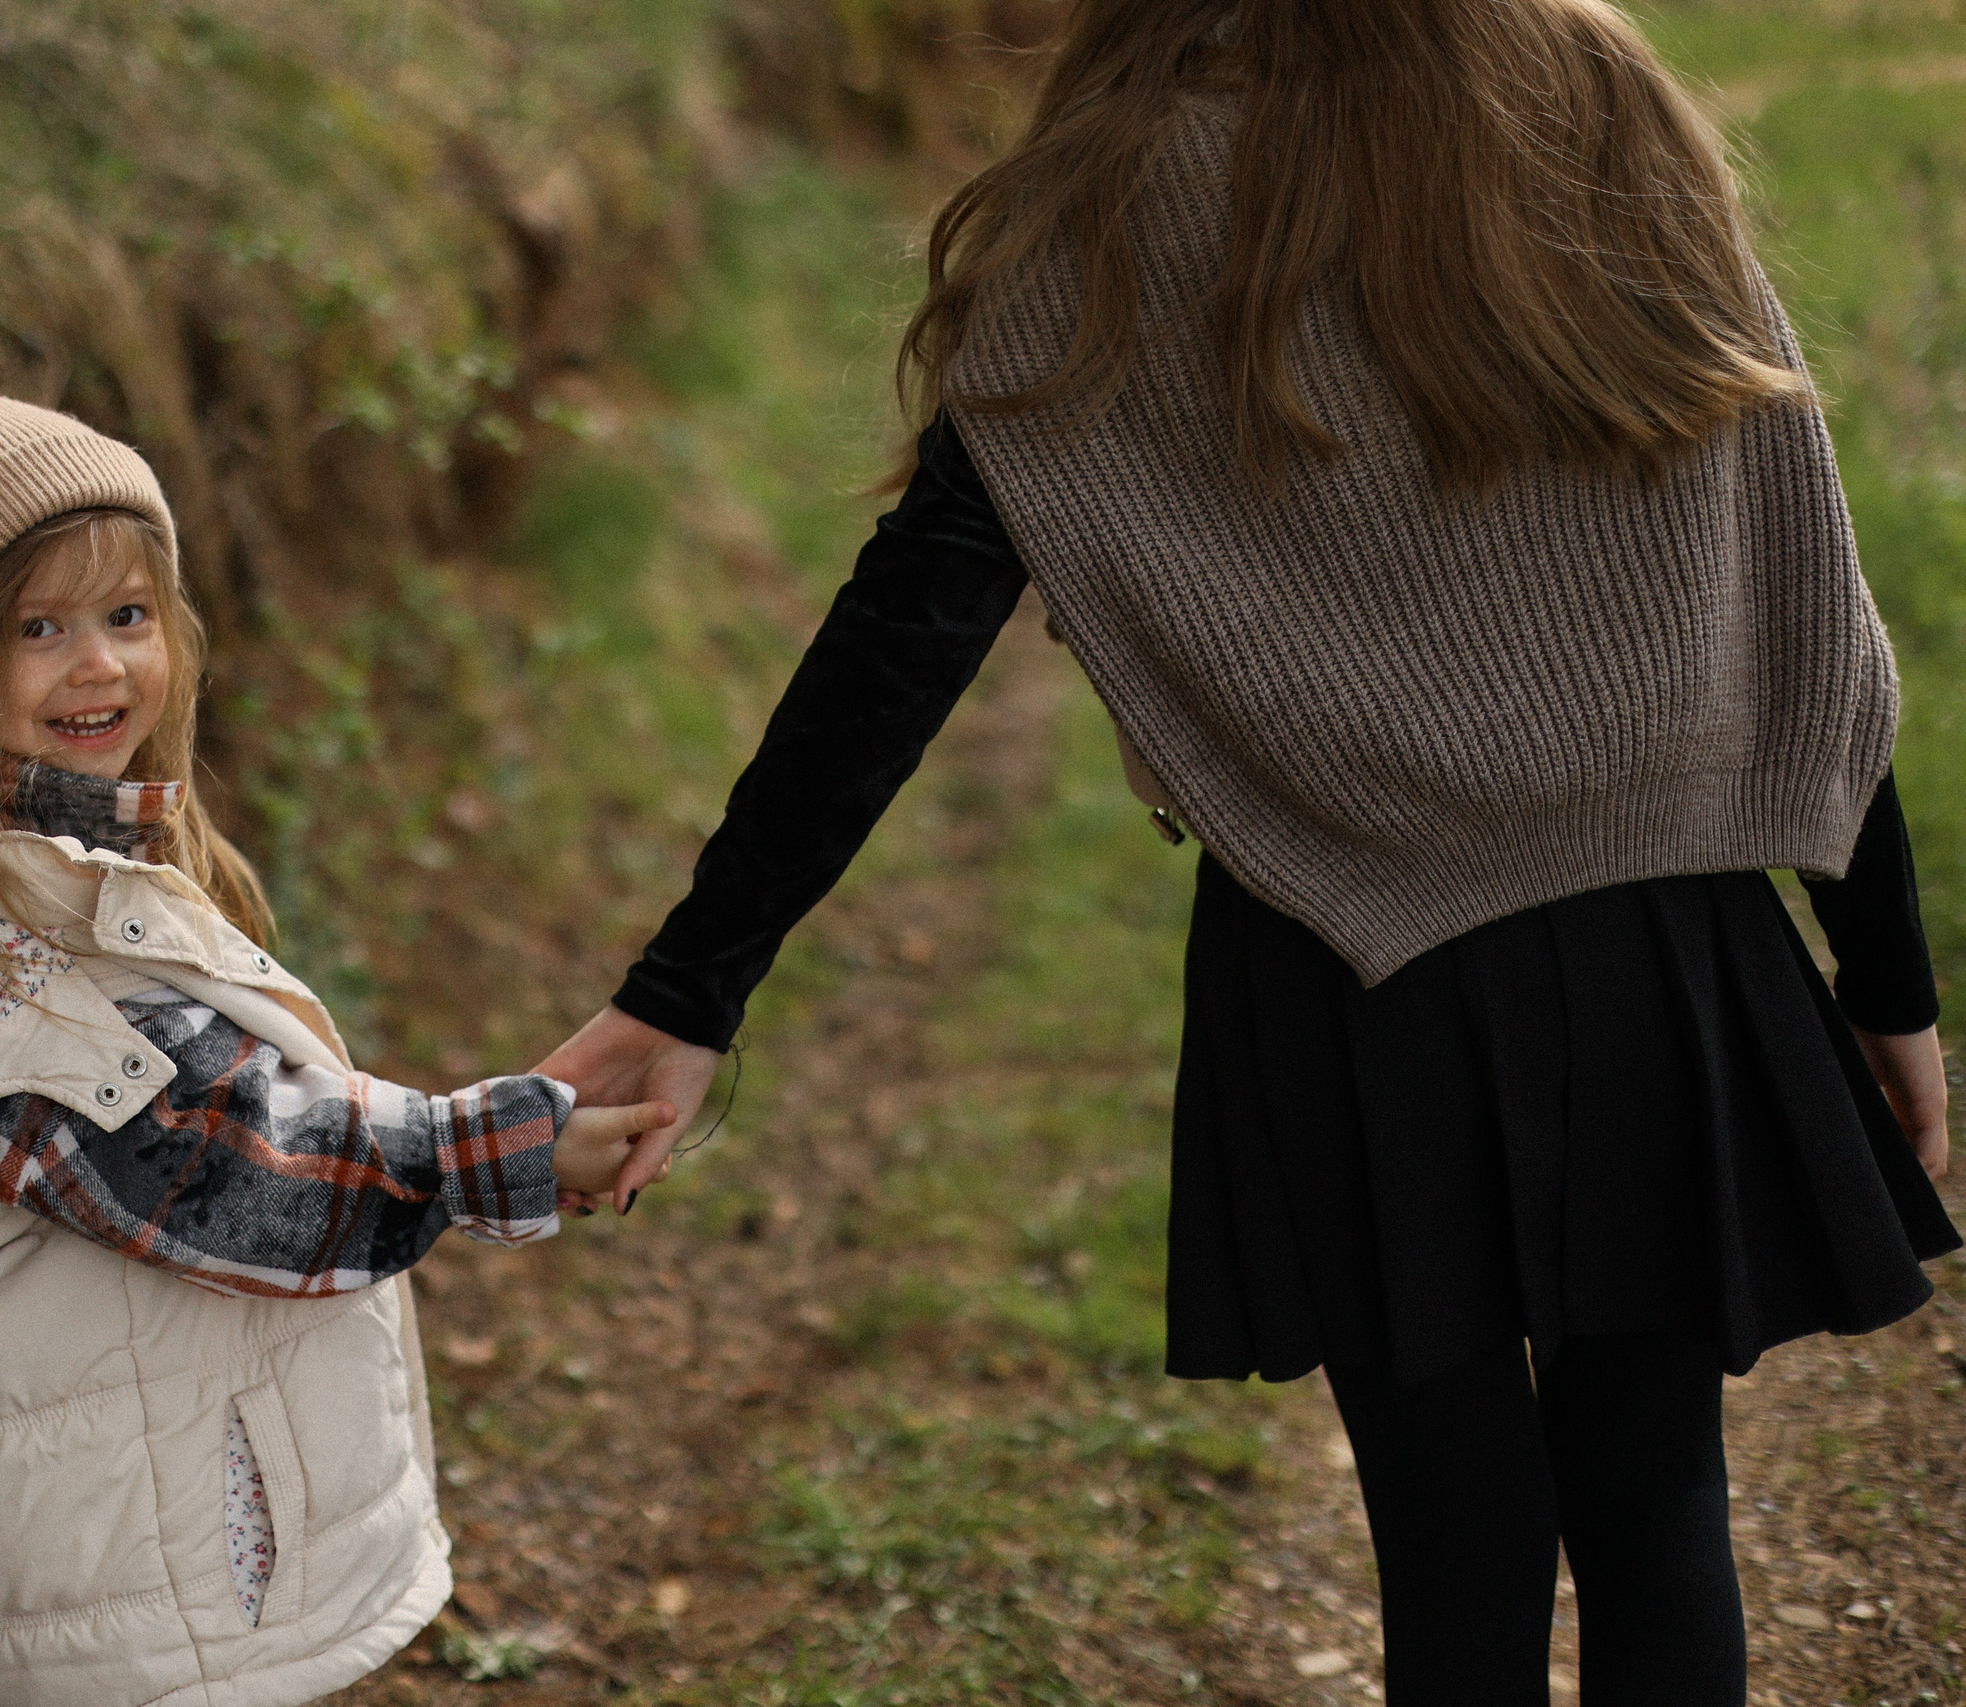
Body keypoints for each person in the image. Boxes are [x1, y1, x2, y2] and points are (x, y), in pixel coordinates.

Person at [539, 3, 1961, 1701]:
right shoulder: (1590, 87)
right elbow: (1798, 584)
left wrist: (696, 986)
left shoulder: (1115, 187)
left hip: (1344, 973)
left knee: (1453, 1548)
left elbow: (908, 624)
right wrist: (1885, 977)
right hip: (1658, 946)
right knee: (1660, 1511)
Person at [0, 390, 669, 1707]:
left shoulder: (54, 887)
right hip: (146, 1599)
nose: (100, 666)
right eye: (40, 630)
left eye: (128, 615)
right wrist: (511, 1146)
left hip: (119, 1573)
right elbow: (245, 1173)